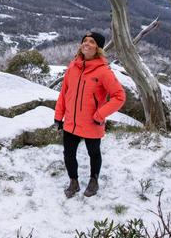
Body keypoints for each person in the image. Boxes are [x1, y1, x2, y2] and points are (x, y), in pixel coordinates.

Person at [54, 31, 126, 198]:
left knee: (94, 153)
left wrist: (100, 114)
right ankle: (74, 181)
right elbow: (64, 93)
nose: (86, 44)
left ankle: (94, 180)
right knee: (68, 154)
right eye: (85, 41)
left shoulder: (103, 71)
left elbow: (119, 96)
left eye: (91, 42)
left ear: (98, 48)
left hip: (92, 122)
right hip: (70, 121)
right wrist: (59, 116)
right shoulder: (73, 66)